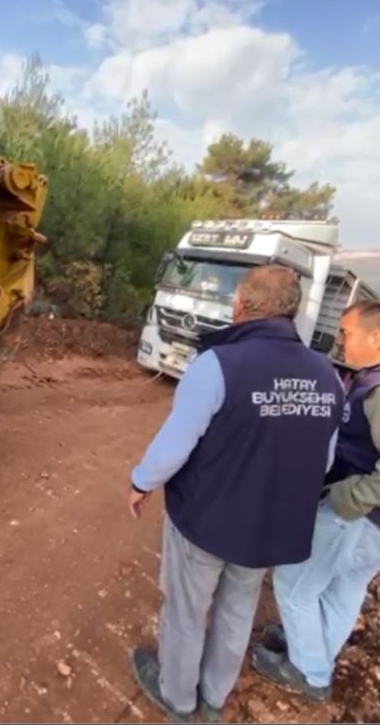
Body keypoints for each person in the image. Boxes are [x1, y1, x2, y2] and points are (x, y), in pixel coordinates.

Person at [128, 265, 344, 723]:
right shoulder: (327, 376)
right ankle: (213, 701)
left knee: (187, 611)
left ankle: (178, 699)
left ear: (241, 306)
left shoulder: (217, 365)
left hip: (205, 522)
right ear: (294, 312)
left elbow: (175, 445)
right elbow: (323, 463)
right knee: (236, 611)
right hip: (268, 528)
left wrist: (142, 482)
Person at [253, 300, 380, 701]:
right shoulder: (367, 380)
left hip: (356, 514)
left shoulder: (378, 390)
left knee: (294, 585)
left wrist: (348, 496)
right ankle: (310, 649)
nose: (340, 340)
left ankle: (309, 672)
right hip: (372, 524)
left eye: (347, 333)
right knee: (341, 589)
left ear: (375, 337)